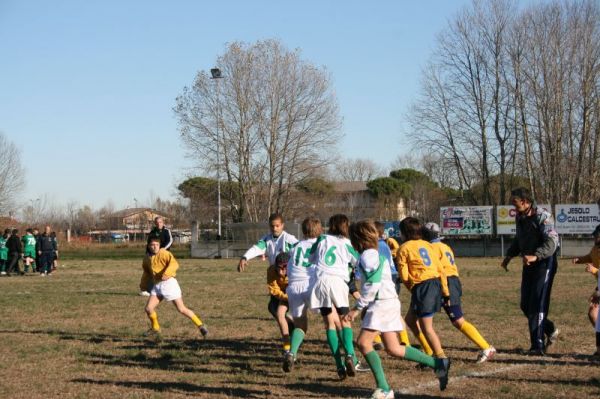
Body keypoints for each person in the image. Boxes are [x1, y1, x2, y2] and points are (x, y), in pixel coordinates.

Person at [345, 220, 450, 398]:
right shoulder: (374, 253)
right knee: (394, 348)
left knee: (363, 343)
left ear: (358, 240)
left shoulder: (368, 256)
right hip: (388, 301)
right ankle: (437, 364)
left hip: (382, 303)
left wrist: (357, 308)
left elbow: (373, 283)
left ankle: (384, 388)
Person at [424, 222, 496, 363]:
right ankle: (430, 353)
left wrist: (445, 290)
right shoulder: (445, 246)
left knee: (457, 320)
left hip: (445, 282)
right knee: (422, 320)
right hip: (453, 280)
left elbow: (440, 270)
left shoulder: (431, 248)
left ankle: (486, 347)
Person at [500, 187, 560, 355]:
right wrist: (509, 256)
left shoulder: (543, 216)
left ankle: (537, 346)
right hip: (529, 263)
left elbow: (552, 241)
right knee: (525, 304)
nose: (513, 207)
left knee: (538, 304)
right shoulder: (520, 217)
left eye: (515, 203)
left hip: (544, 263)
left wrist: (536, 256)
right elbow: (520, 239)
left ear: (525, 202)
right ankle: (550, 329)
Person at [309, 214, 359, 380]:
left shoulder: (322, 238)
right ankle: (350, 355)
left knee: (329, 323)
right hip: (338, 282)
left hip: (321, 282)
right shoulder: (347, 243)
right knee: (345, 321)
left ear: (330, 226)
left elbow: (311, 257)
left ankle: (339, 365)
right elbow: (357, 260)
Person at [397, 217, 449, 361]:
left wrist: (413, 288)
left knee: (426, 327)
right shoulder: (428, 245)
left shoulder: (404, 248)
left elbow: (404, 275)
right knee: (410, 320)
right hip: (435, 283)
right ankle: (429, 352)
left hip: (423, 286)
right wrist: (445, 292)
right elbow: (441, 269)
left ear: (404, 233)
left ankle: (441, 358)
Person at [140, 237, 208, 339]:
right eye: (152, 245)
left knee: (181, 309)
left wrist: (167, 273)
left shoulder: (164, 253)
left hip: (169, 284)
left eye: (157, 245)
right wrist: (143, 285)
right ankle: (155, 328)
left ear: (159, 246)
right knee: (149, 308)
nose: (155, 247)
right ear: (149, 246)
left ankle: (201, 325)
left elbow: (174, 264)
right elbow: (146, 272)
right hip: (157, 285)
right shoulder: (147, 258)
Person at [283, 216, 324, 372]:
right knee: (332, 319)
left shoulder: (296, 246)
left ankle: (292, 353)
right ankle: (348, 355)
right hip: (311, 285)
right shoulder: (321, 244)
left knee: (301, 324)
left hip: (294, 287)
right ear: (320, 230)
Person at [571, 224, 600, 354]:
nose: (594, 237)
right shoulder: (596, 248)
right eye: (594, 235)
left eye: (597, 235)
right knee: (593, 313)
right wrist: (580, 260)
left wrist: (595, 270)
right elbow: (590, 257)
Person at [267, 252, 294, 355]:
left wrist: (291, 297)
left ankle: (288, 346)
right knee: (272, 308)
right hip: (281, 295)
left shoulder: (295, 271)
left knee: (280, 314)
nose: (281, 271)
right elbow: (274, 289)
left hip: (293, 294)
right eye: (279, 268)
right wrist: (285, 298)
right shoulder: (271, 270)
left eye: (284, 268)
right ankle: (289, 326)